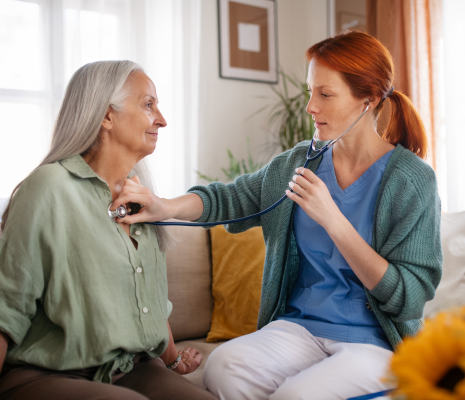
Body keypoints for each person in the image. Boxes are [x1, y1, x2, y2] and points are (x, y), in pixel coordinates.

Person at [112, 31, 442, 400]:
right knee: (224, 368)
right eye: (310, 92)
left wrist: (333, 219)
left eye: (325, 94)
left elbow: (409, 297)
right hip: (301, 328)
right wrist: (165, 205)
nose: (310, 107)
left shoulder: (411, 180)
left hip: (376, 342)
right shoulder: (298, 163)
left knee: (295, 395)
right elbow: (230, 198)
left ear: (368, 99)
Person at [0, 60, 217, 400]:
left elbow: (148, 300)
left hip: (133, 369)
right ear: (106, 116)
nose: (162, 119)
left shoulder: (142, 198)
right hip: (47, 373)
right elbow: (0, 310)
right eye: (148, 104)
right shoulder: (50, 187)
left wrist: (172, 363)